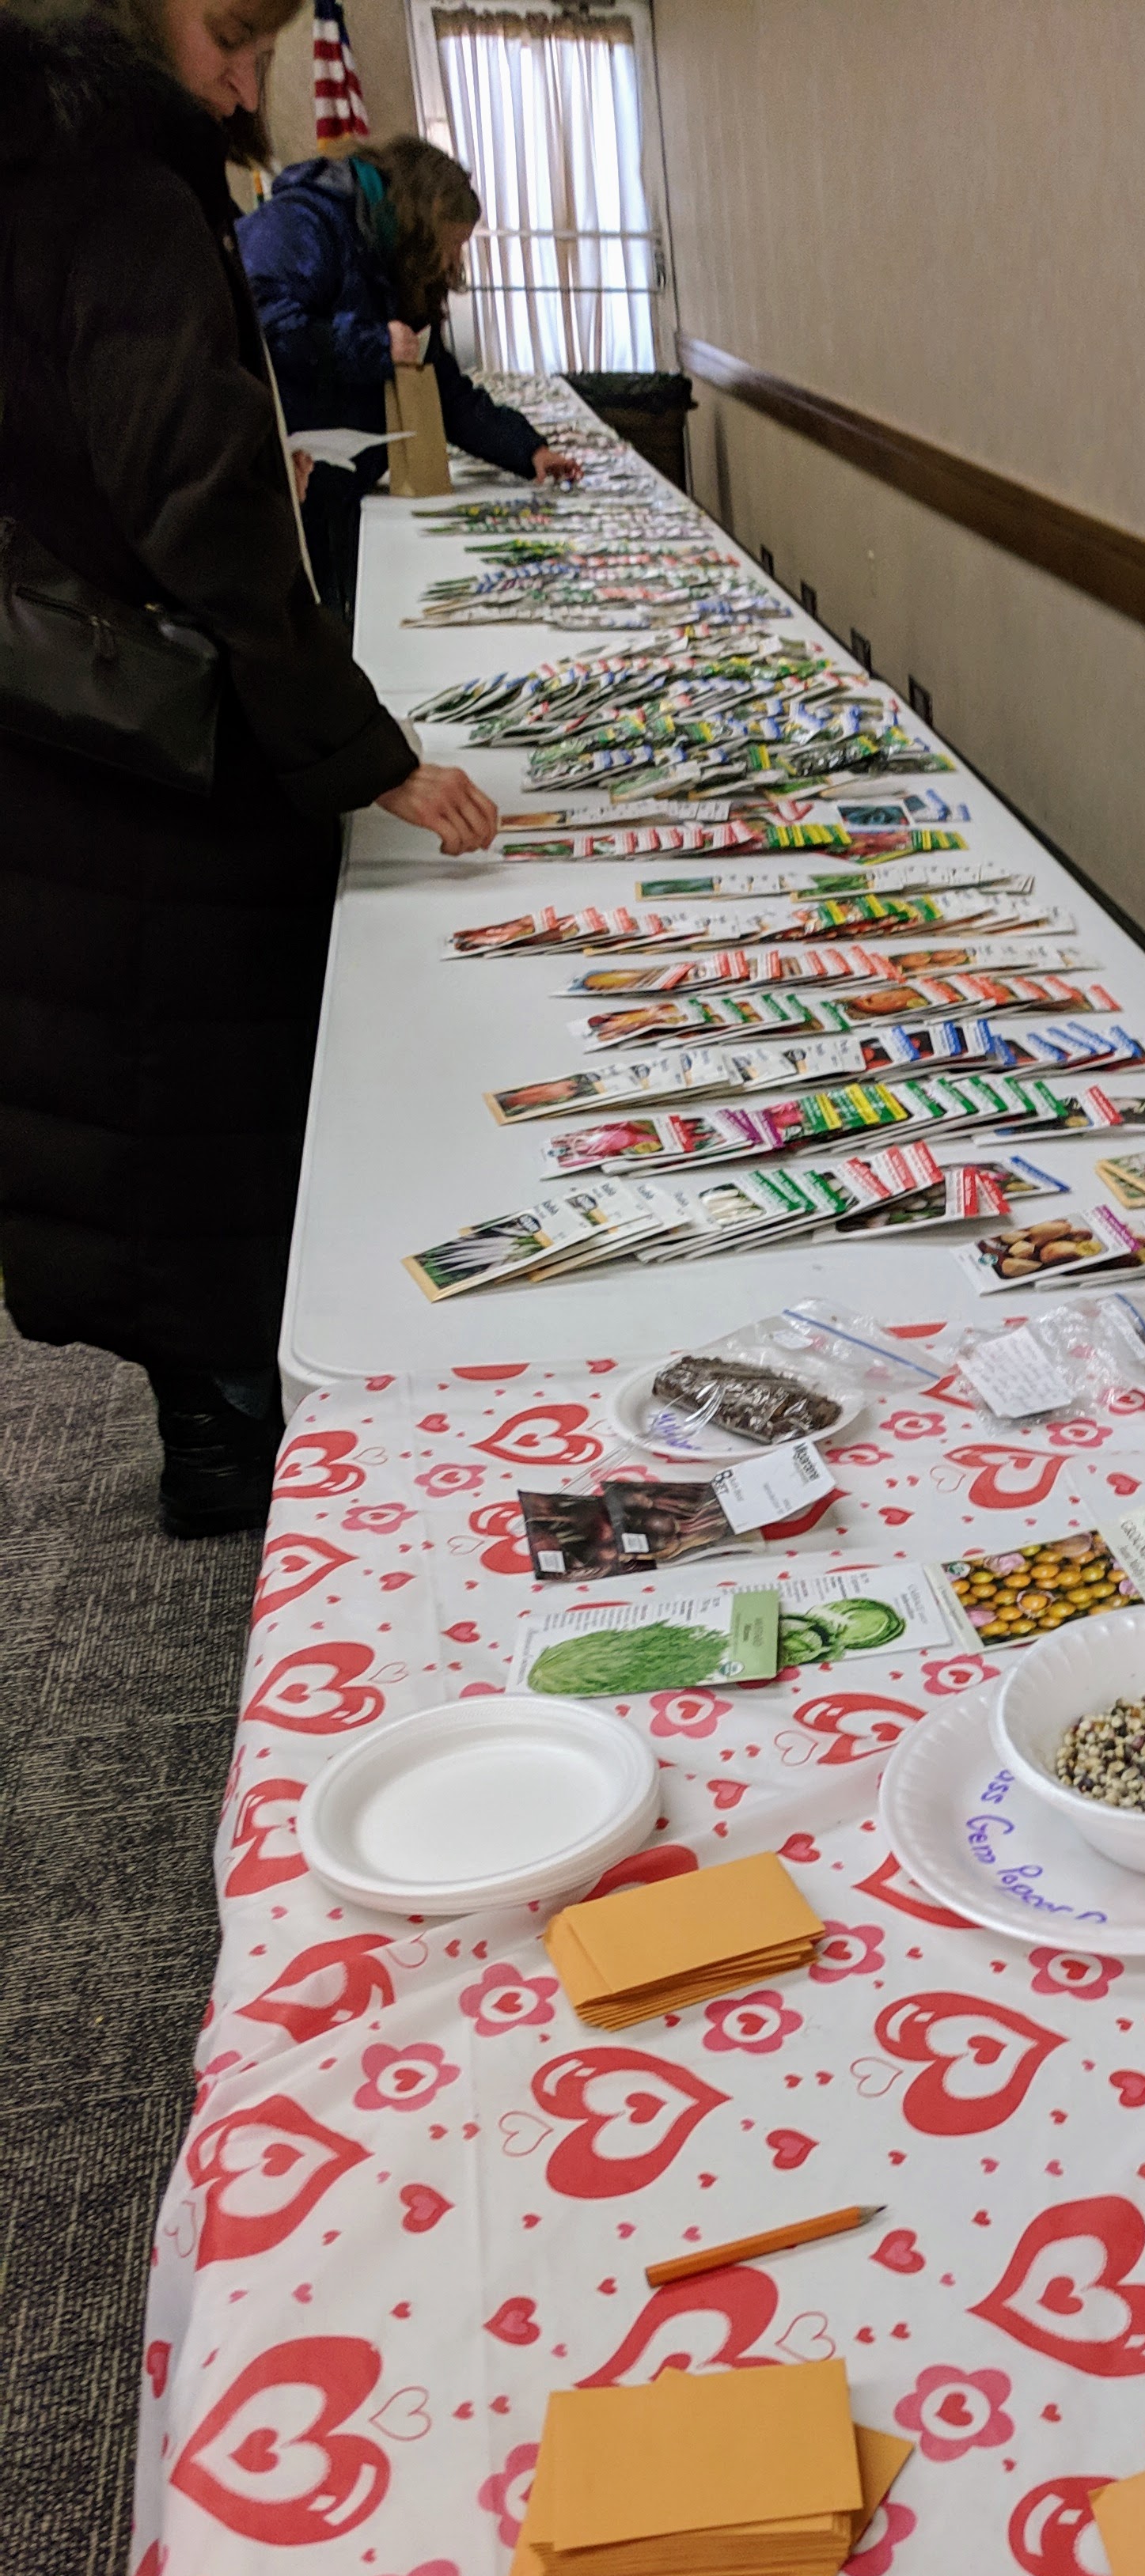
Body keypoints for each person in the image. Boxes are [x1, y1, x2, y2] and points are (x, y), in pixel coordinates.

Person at [0, 0, 502, 1536]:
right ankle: (235, 1439)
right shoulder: (112, 182)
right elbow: (206, 514)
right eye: (232, 32)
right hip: (136, 734)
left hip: (67, 714)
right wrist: (363, 748)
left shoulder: (56, 161)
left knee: (142, 1078)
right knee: (195, 1064)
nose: (246, 80)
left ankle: (222, 1414)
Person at [241, 133, 582, 612]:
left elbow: (439, 385)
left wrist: (528, 451)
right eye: (452, 246)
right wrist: (374, 344)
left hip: (346, 485)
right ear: (422, 222)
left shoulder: (395, 258)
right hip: (290, 489)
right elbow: (261, 325)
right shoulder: (305, 221)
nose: (453, 263)